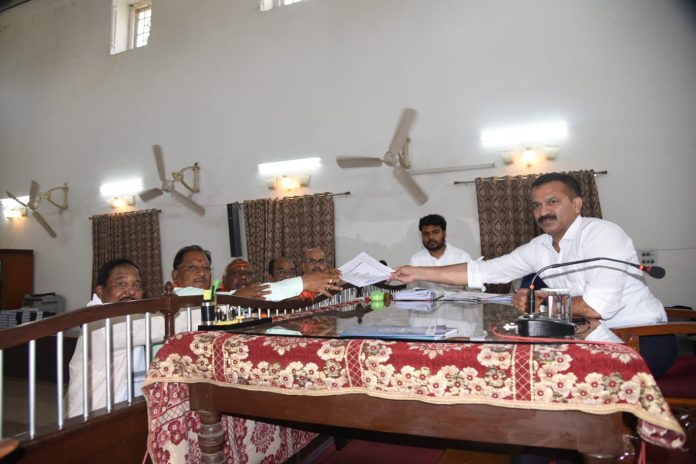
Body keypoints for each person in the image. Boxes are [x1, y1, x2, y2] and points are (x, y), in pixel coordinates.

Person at [393, 173, 675, 377]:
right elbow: (483, 271)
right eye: (537, 205)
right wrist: (417, 272)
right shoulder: (539, 247)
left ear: (577, 204)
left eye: (552, 202)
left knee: (551, 378)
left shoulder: (602, 234)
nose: (543, 212)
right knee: (518, 368)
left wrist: (539, 303)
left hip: (639, 338)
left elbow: (597, 307)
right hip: (587, 336)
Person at [66, 259, 149, 418]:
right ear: (100, 291)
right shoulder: (100, 322)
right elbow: (164, 325)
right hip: (94, 416)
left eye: (137, 285)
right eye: (121, 284)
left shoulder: (132, 315)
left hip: (123, 409)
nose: (131, 291)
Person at [408, 214, 472, 291]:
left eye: (435, 232)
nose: (430, 237)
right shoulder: (416, 260)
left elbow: (473, 291)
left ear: (444, 233)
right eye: (426, 234)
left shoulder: (462, 257)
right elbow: (412, 291)